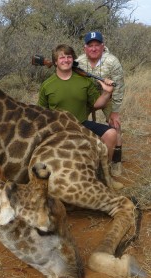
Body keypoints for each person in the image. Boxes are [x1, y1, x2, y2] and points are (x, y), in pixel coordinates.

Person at [38, 44, 123, 190]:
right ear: (55, 62)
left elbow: (97, 104)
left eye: (69, 56)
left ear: (73, 59)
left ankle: (104, 175)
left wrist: (107, 93)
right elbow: (41, 114)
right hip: (59, 130)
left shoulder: (84, 81)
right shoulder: (47, 85)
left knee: (111, 133)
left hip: (81, 124)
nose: (66, 59)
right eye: (62, 57)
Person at [77, 31, 125, 177]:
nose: (93, 48)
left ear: (102, 46)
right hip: (87, 98)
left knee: (115, 125)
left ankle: (116, 161)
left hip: (108, 97)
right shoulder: (78, 62)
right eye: (90, 45)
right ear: (85, 47)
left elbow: (119, 87)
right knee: (76, 121)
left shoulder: (112, 61)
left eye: (97, 45)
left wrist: (115, 111)